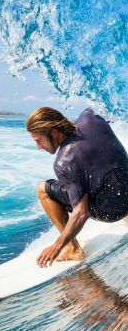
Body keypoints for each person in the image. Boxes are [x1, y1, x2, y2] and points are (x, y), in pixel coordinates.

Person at [26, 107, 128, 268]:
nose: (38, 146)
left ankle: (72, 249)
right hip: (126, 197)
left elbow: (81, 212)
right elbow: (93, 107)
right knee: (104, 169)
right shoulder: (91, 119)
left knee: (43, 189)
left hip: (111, 212)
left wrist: (56, 246)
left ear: (53, 132)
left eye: (38, 140)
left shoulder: (63, 162)